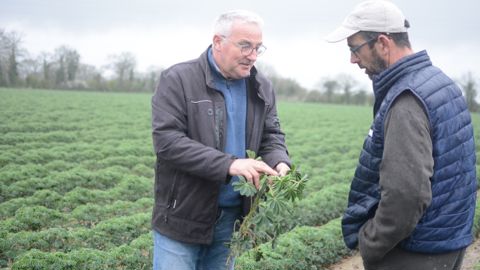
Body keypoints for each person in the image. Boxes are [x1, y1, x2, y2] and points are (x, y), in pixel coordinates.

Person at [325, 1, 477, 269]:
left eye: (355, 48)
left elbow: (407, 195)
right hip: (446, 243)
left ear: (383, 43)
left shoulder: (406, 100)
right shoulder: (440, 83)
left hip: (414, 252)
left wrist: (371, 243)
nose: (352, 59)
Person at [151, 9, 291, 270]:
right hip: (183, 215)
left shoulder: (261, 86)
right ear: (218, 41)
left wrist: (280, 162)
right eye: (245, 46)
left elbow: (271, 136)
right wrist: (229, 164)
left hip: (230, 218)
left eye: (258, 48)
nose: (252, 55)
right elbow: (167, 142)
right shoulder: (178, 79)